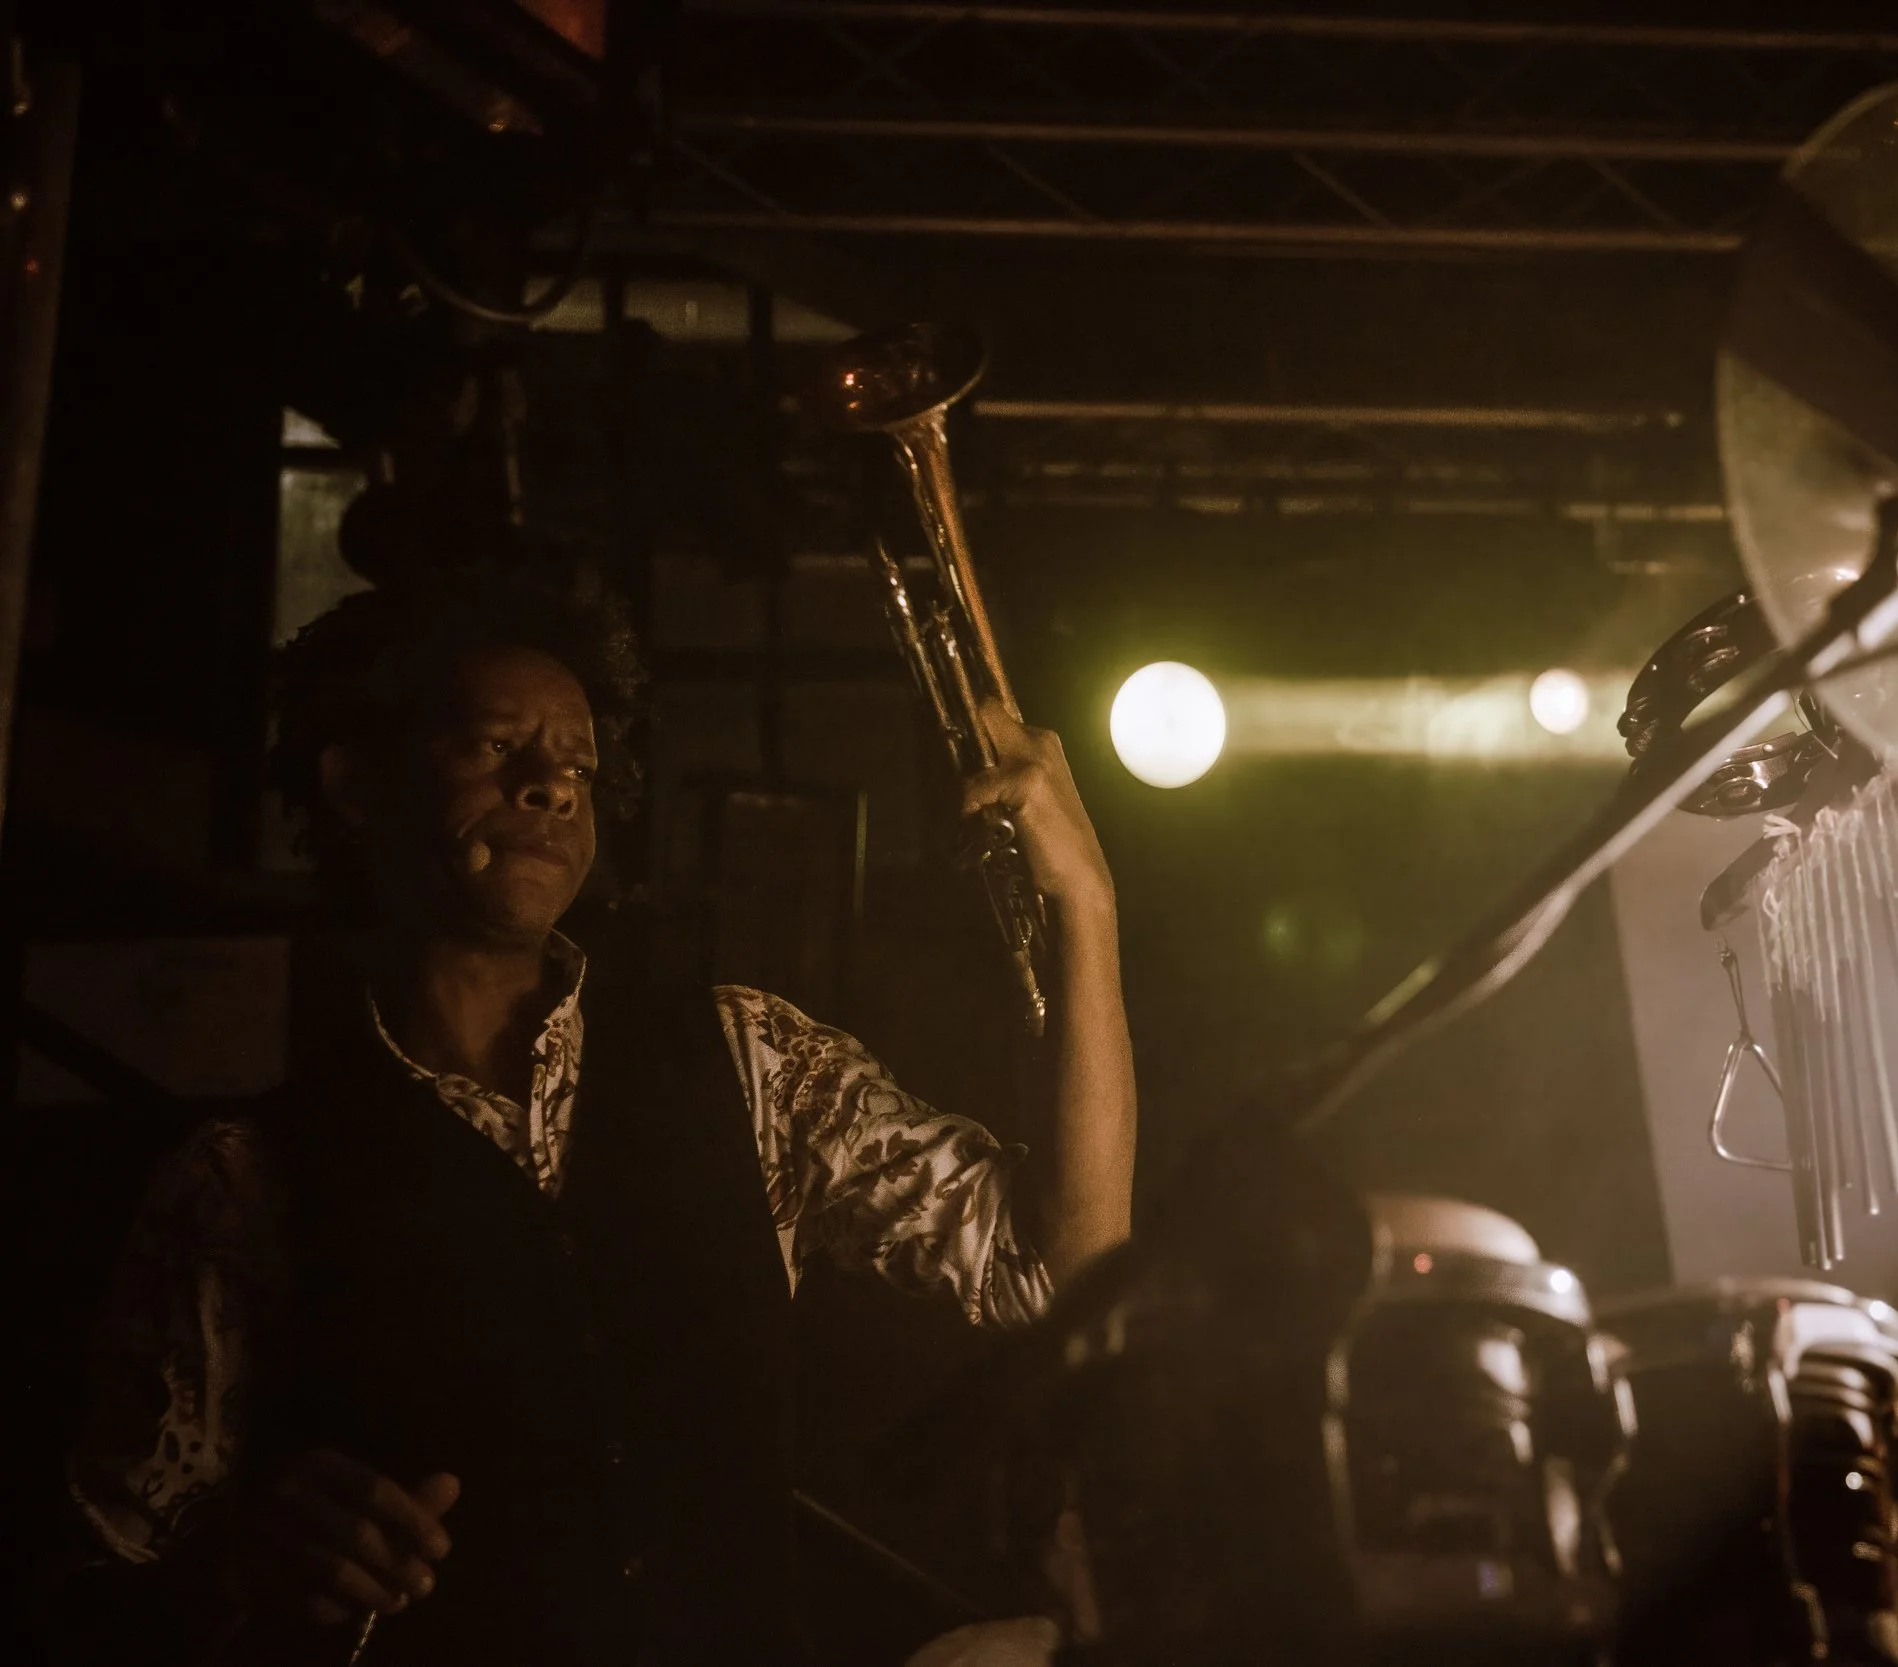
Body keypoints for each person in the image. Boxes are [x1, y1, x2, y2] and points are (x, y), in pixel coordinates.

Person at [61, 565, 1136, 1664]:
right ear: (356, 784)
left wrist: (1086, 906)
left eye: (577, 763)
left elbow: (1055, 1271)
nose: (552, 786)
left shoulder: (753, 1063)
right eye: (494, 746)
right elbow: (106, 1567)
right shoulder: (241, 1181)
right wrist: (246, 1561)